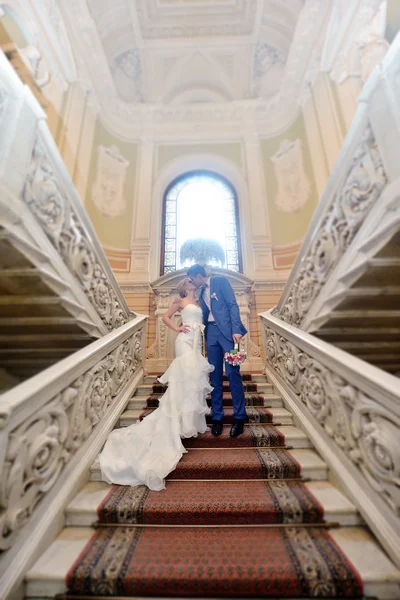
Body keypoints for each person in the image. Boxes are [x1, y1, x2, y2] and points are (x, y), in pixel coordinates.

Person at [99, 278, 213, 491]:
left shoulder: (199, 301)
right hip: (185, 342)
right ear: (184, 286)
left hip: (198, 342)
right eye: (189, 282)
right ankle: (177, 422)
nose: (192, 283)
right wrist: (178, 330)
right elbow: (166, 319)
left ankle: (187, 422)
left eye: (192, 281)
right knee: (183, 378)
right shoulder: (179, 301)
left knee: (193, 381)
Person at [187, 264, 247, 438]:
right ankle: (217, 418)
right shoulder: (199, 293)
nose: (192, 282)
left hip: (228, 333)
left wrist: (236, 329)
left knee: (232, 373)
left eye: (192, 278)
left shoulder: (220, 281)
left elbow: (232, 305)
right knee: (214, 377)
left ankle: (239, 418)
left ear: (199, 276)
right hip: (211, 334)